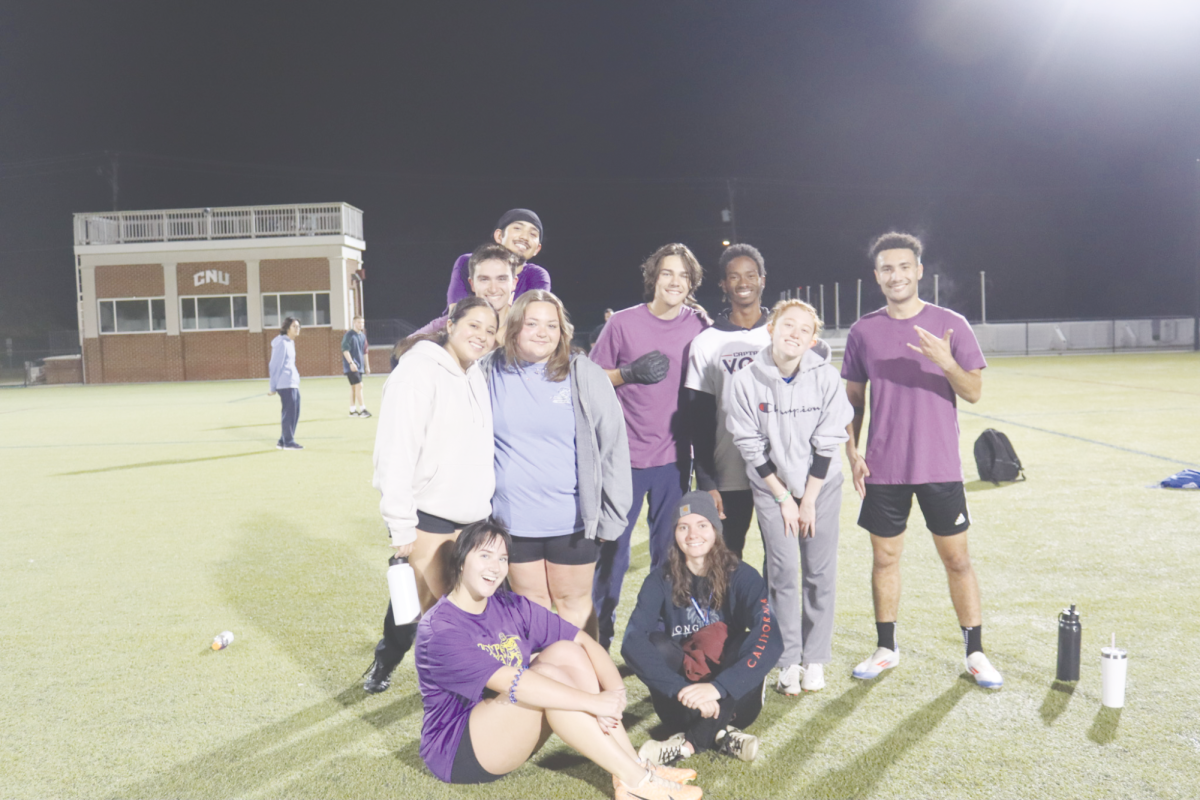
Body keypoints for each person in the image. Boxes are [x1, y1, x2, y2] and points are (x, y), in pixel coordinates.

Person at [414, 519, 703, 800]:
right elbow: (513, 682)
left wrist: (616, 694)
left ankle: (634, 766)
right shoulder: (440, 630)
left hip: (506, 722)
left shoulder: (509, 604)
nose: (495, 567)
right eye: (485, 555)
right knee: (549, 679)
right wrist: (592, 702)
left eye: (502, 559)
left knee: (566, 652)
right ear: (462, 560)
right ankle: (637, 782)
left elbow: (583, 641)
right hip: (459, 750)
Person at [841, 231, 1002, 689]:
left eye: (904, 266)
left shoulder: (950, 324)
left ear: (918, 271)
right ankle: (886, 648)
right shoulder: (863, 331)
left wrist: (946, 361)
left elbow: (972, 391)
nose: (896, 275)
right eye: (887, 268)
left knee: (957, 560)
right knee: (885, 558)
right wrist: (852, 450)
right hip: (884, 467)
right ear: (877, 276)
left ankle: (975, 653)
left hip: (939, 466)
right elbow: (853, 399)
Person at [362, 296, 500, 694]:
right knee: (430, 613)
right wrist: (400, 521)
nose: (482, 336)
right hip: (429, 516)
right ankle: (391, 662)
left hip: (473, 517)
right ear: (451, 324)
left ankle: (457, 681)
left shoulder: (475, 373)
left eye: (490, 330)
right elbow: (395, 450)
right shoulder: (417, 371)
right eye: (474, 325)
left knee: (455, 608)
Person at [477, 290, 632, 633]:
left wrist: (611, 513)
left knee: (573, 606)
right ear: (514, 327)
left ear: (563, 332)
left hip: (572, 520)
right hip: (512, 521)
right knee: (531, 607)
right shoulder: (486, 373)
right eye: (532, 323)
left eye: (552, 325)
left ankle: (584, 684)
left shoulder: (583, 374)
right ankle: (544, 685)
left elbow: (613, 447)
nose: (542, 332)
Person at [727, 299, 853, 695]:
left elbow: (829, 440)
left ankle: (814, 659)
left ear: (813, 339)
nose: (795, 333)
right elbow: (749, 443)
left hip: (822, 486)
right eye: (788, 325)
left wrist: (809, 498)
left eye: (804, 329)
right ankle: (785, 660)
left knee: (818, 572)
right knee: (782, 573)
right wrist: (783, 497)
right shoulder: (747, 379)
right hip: (772, 489)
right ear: (771, 327)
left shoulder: (826, 377)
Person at [588, 243, 709, 649]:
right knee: (613, 555)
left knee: (668, 555)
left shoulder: (699, 326)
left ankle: (659, 634)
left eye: (683, 276)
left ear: (691, 284)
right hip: (624, 459)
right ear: (654, 278)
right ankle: (598, 633)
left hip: (675, 459)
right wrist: (625, 374)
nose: (675, 282)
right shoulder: (622, 323)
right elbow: (587, 379)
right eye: (667, 274)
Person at [622, 491, 782, 766]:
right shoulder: (659, 579)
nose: (692, 534)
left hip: (735, 700)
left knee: (741, 640)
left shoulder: (742, 575)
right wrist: (681, 690)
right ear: (675, 533)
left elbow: (771, 637)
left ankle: (686, 745)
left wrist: (718, 688)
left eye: (702, 525)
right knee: (656, 642)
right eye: (683, 526)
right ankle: (723, 735)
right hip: (681, 701)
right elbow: (632, 641)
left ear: (715, 531)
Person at [684, 244, 772, 558]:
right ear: (723, 284)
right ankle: (729, 609)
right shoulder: (706, 342)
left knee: (780, 557)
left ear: (763, 279)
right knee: (727, 556)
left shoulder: (782, 334)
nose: (743, 282)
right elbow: (700, 419)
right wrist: (707, 480)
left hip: (779, 472)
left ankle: (765, 609)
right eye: (734, 276)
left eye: (751, 275)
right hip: (729, 473)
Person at [445, 209, 550, 309]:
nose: (525, 237)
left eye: (533, 234)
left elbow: (532, 320)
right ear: (499, 236)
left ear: (537, 249)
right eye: (517, 228)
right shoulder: (468, 262)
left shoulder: (537, 276)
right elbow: (457, 315)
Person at [414, 244, 521, 340]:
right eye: (484, 279)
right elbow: (401, 349)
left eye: (501, 279)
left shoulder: (526, 328)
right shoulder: (450, 323)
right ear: (472, 284)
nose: (493, 289)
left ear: (514, 283)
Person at [267, 317, 303, 450]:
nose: (297, 328)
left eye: (298, 326)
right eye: (294, 326)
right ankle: (288, 442)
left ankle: (282, 441)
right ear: (287, 328)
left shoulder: (289, 342)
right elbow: (275, 365)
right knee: (289, 413)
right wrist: (273, 387)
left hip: (292, 383)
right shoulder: (281, 343)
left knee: (294, 412)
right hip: (285, 384)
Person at [342, 314, 371, 417]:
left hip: (360, 366)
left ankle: (352, 410)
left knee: (354, 387)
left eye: (362, 323)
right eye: (359, 322)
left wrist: (367, 366)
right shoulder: (349, 335)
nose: (361, 324)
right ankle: (363, 410)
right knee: (359, 385)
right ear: (354, 323)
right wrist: (351, 363)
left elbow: (365, 351)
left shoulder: (363, 336)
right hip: (351, 366)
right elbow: (345, 350)